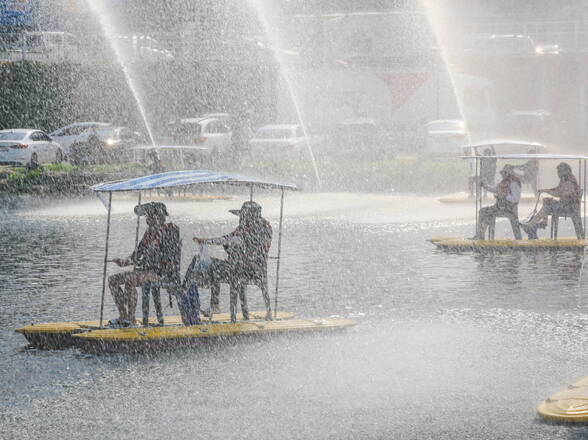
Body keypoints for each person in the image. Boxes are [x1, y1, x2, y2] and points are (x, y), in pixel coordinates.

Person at [189, 201, 273, 323]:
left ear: (249, 217)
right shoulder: (251, 228)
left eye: (243, 217)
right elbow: (227, 239)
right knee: (213, 266)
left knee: (215, 268)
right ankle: (215, 305)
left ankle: (218, 306)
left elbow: (228, 240)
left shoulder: (255, 230)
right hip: (242, 267)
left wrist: (209, 241)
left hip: (248, 270)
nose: (241, 220)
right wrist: (206, 241)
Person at [108, 202, 181, 327]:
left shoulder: (170, 229)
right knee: (112, 280)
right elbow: (137, 254)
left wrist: (150, 259)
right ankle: (123, 315)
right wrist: (124, 261)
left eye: (151, 215)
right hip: (146, 272)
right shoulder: (148, 233)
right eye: (147, 216)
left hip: (162, 273)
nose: (147, 219)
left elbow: (169, 255)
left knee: (130, 280)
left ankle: (131, 319)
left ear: (160, 216)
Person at [520, 162, 583, 239]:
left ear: (564, 171)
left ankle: (533, 224)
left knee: (548, 206)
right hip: (565, 205)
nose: (557, 173)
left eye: (559, 171)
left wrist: (547, 192)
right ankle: (541, 222)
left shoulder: (569, 181)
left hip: (569, 208)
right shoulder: (564, 179)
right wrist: (545, 190)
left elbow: (559, 193)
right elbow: (557, 189)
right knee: (547, 201)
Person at [471, 164, 522, 240]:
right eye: (502, 173)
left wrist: (504, 196)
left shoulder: (514, 183)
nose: (502, 175)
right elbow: (495, 189)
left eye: (504, 173)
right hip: (499, 207)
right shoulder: (504, 182)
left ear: (509, 173)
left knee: (489, 214)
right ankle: (480, 235)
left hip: (509, 210)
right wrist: (485, 185)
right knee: (482, 212)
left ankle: (481, 235)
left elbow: (516, 199)